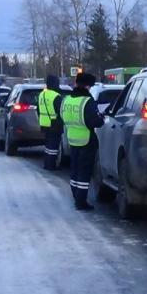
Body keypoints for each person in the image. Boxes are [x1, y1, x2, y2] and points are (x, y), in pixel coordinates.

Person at [60, 73, 104, 211]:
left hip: (72, 139)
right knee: (84, 172)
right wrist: (101, 118)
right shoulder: (87, 101)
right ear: (86, 86)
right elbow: (94, 121)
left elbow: (62, 116)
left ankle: (75, 195)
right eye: (90, 86)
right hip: (86, 140)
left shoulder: (67, 100)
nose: (90, 89)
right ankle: (81, 201)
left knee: (75, 170)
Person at [38, 75, 65, 170]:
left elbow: (38, 109)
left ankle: (46, 163)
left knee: (47, 146)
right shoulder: (56, 96)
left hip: (44, 124)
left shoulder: (42, 94)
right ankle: (51, 165)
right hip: (54, 124)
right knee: (53, 147)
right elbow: (61, 111)